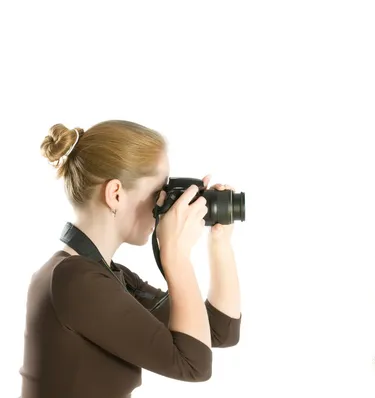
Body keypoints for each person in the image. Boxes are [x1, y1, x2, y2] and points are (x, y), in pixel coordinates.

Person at [19, 120, 242, 398]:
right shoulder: (75, 281)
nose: (164, 206)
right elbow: (193, 364)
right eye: (158, 193)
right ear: (115, 194)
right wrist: (175, 254)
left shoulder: (102, 275)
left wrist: (219, 239)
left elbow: (219, 330)